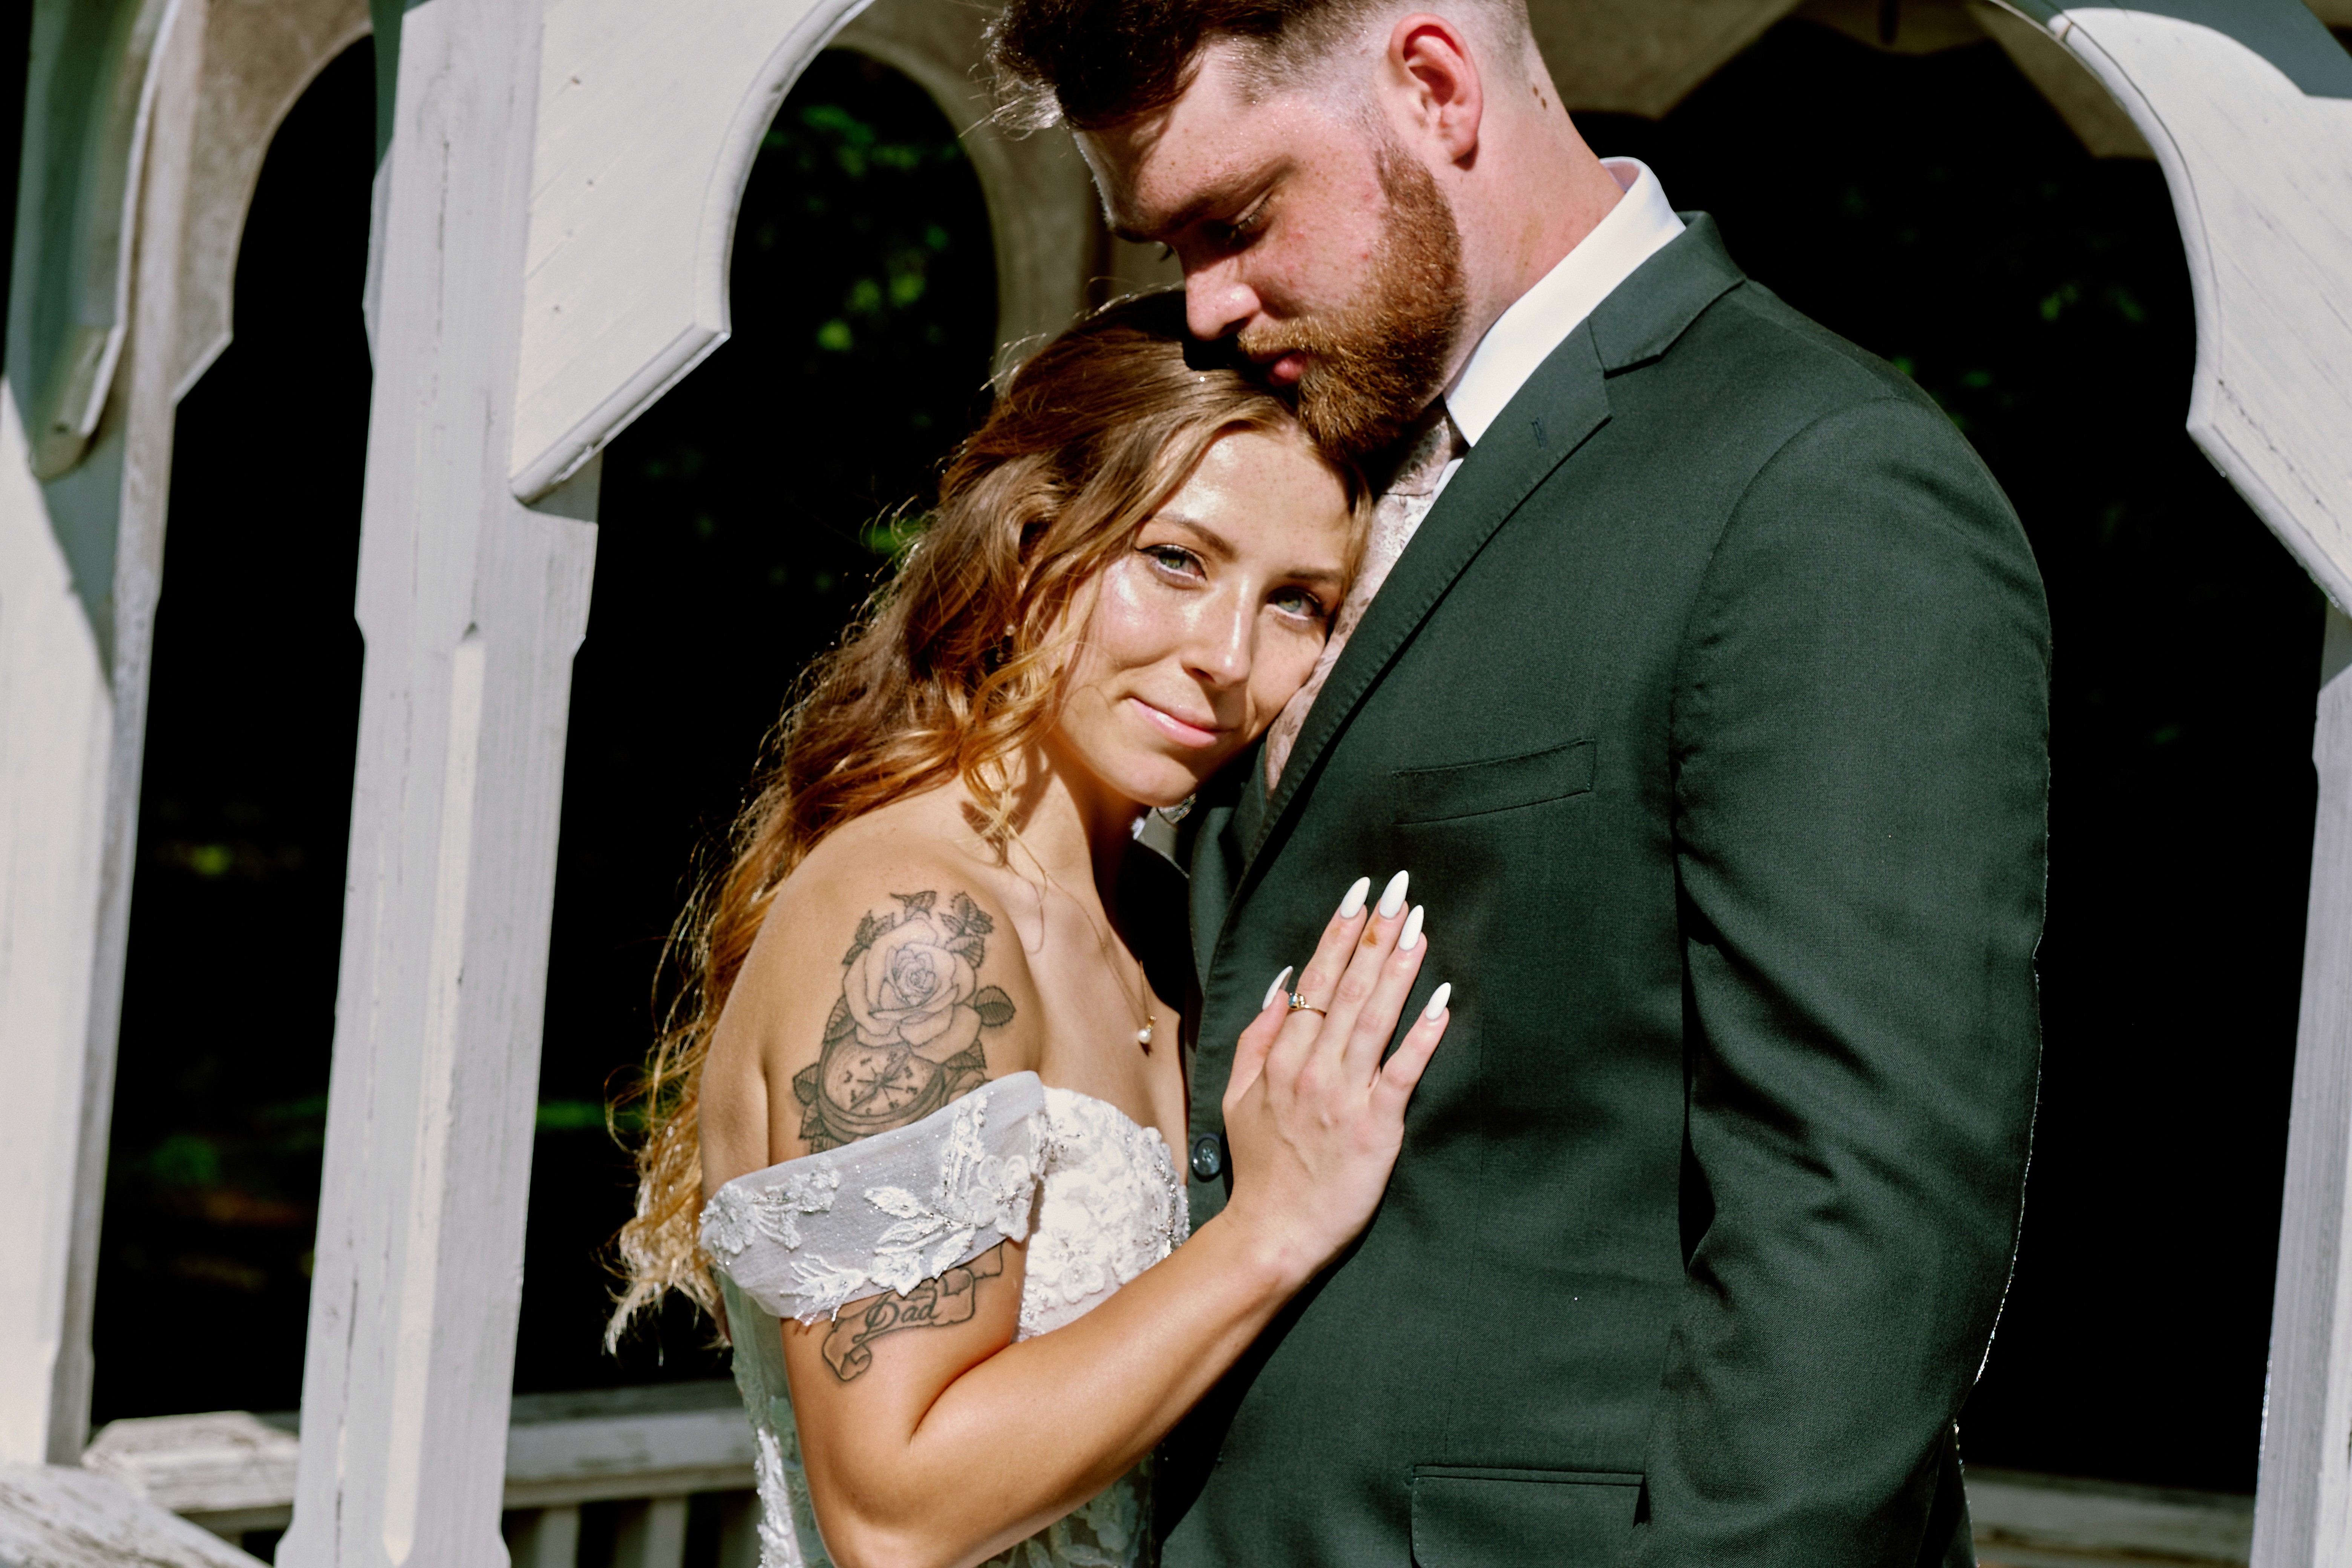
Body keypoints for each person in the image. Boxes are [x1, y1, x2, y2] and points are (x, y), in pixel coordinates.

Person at [986, 2, 2051, 1564]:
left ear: (1433, 81)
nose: (1205, 306)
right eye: (1173, 243)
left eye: (1239, 219)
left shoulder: (1816, 484)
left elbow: (1864, 1234)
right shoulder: (1302, 464)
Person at [609, 294, 1457, 1568]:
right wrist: (1270, 1233)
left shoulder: (1166, 923)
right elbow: (893, 1511)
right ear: (1027, 547)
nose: (1226, 655)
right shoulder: (920, 928)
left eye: (1298, 603)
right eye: (1175, 561)